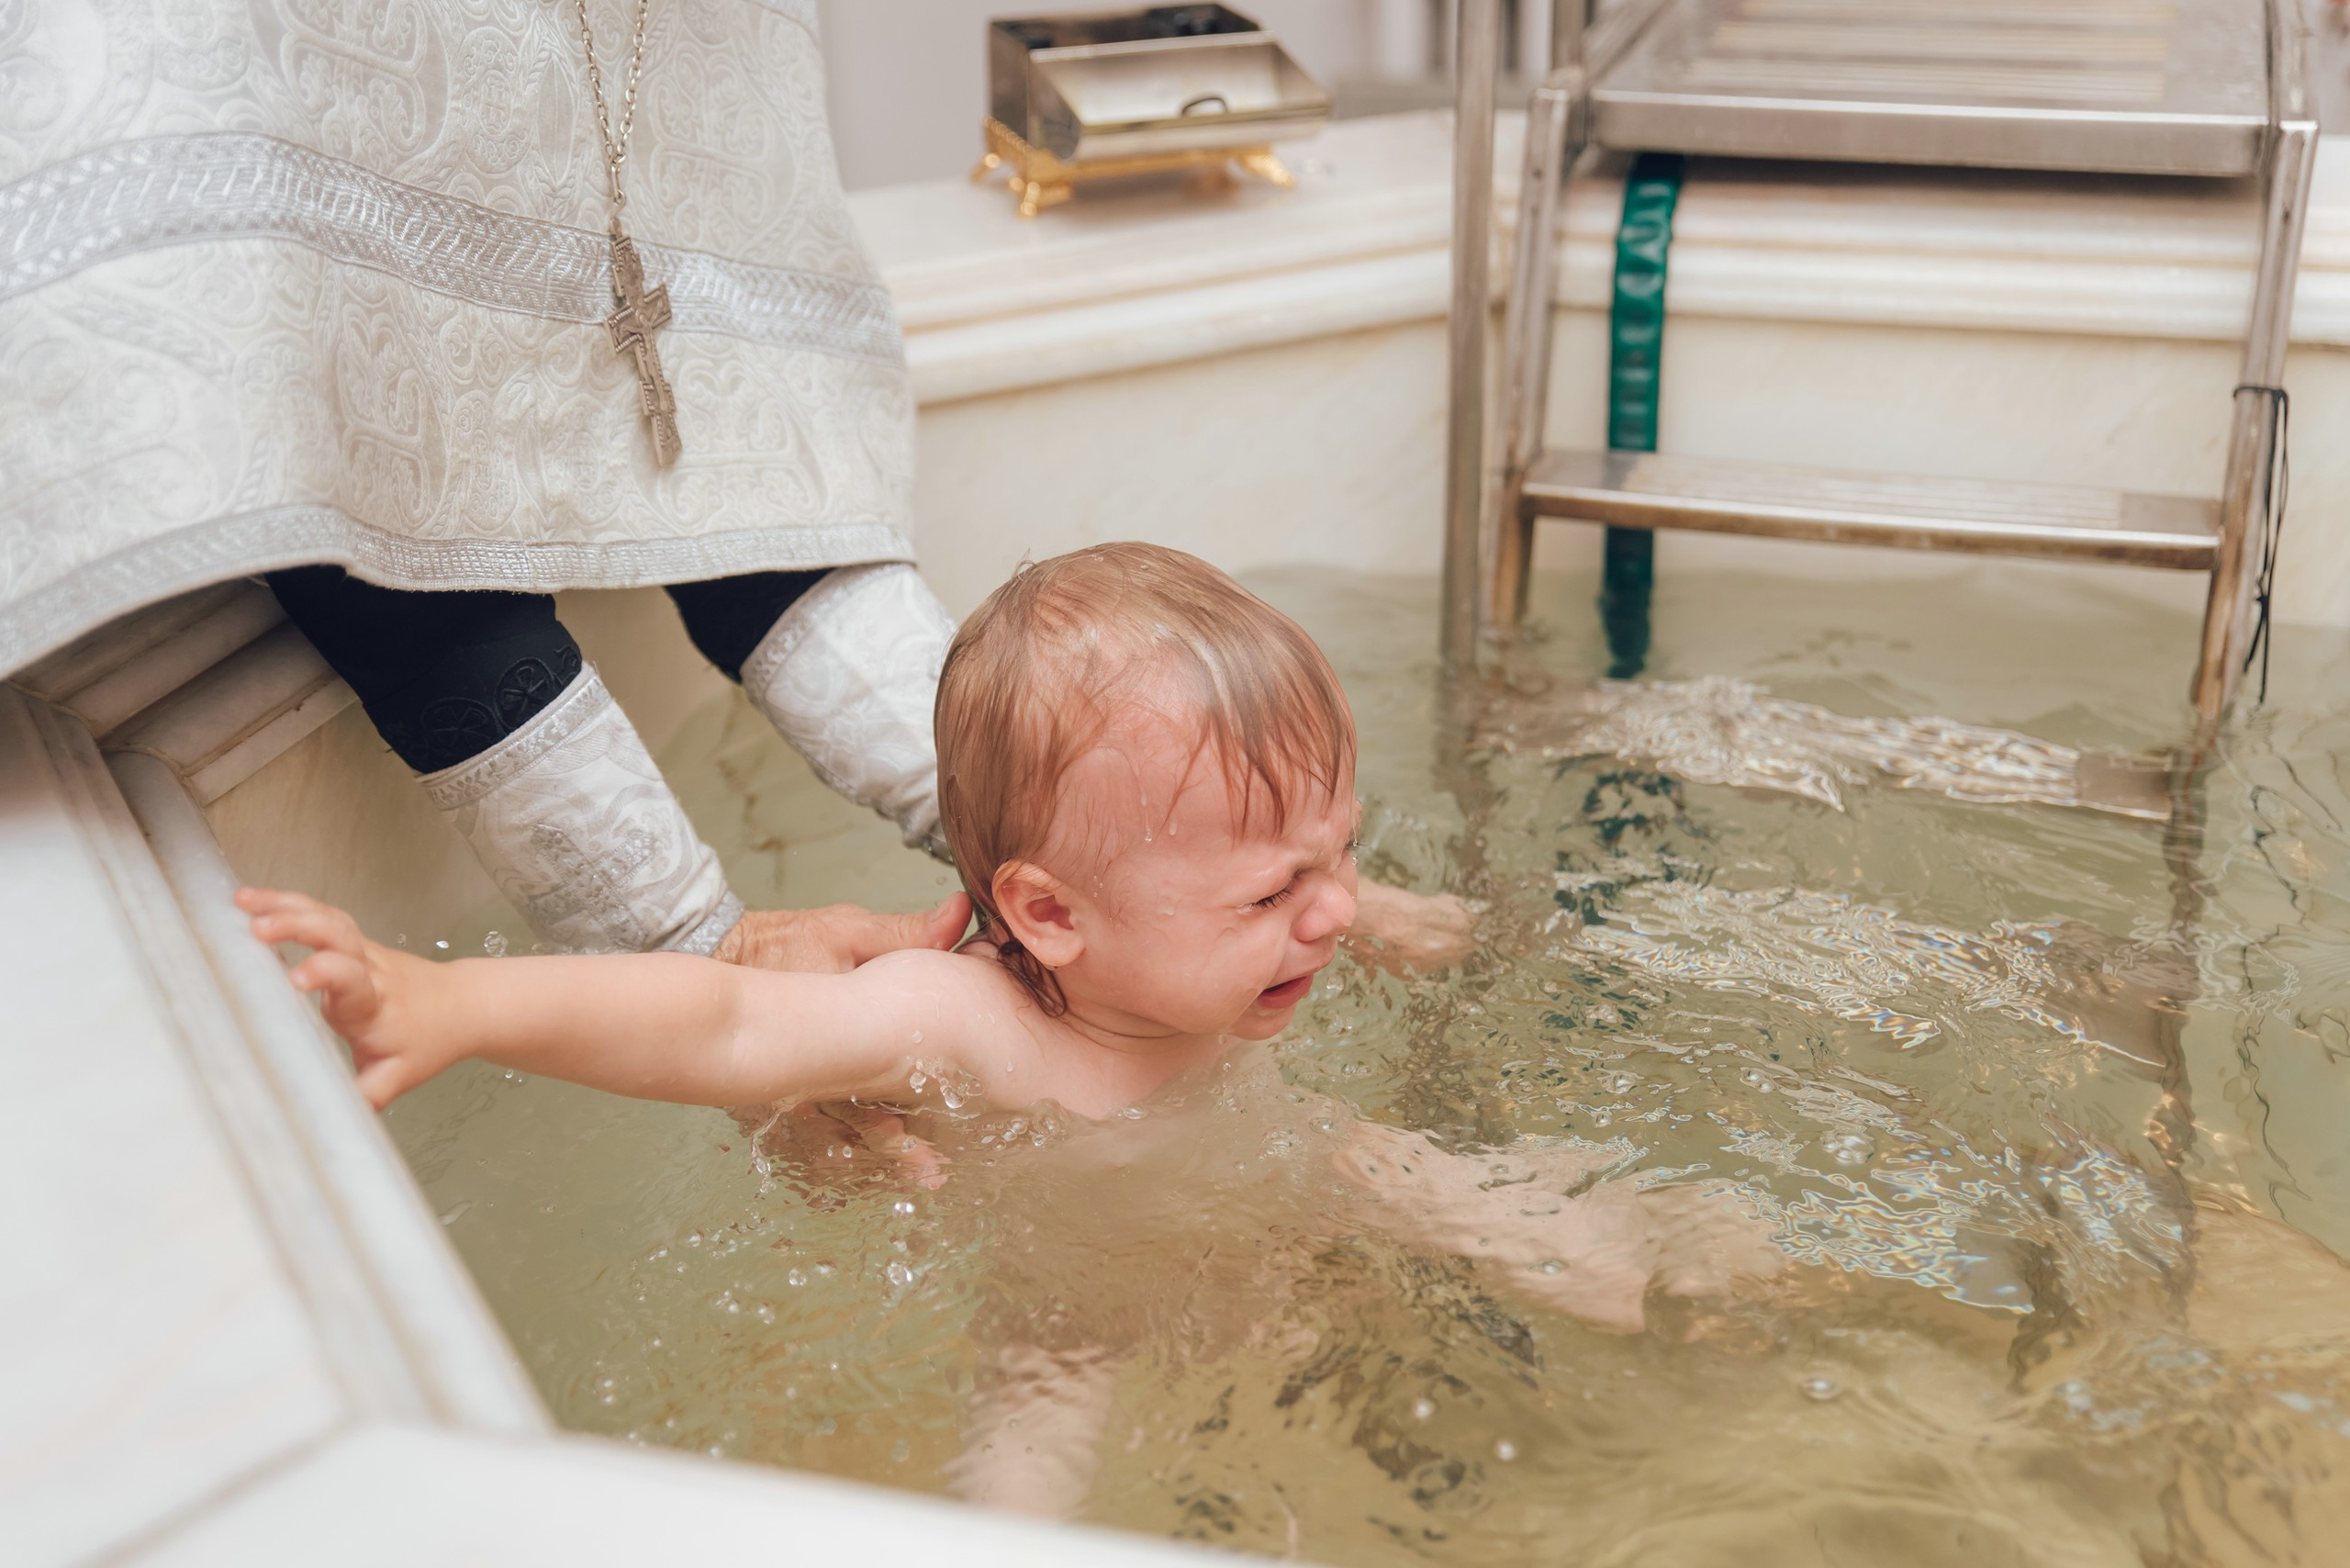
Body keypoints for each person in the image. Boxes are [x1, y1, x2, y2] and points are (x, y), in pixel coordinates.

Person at [241, 543, 1777, 1505]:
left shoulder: (1217, 951)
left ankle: (1735, 1286)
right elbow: (714, 1022)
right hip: (1077, 1304)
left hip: (1306, 1162)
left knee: (1567, 1243)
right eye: (1270, 897)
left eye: (1339, 858)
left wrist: (1349, 905)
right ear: (1048, 916)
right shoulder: (968, 1019)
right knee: (1017, 1492)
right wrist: (454, 999)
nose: (1321, 917)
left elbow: (1282, 902)